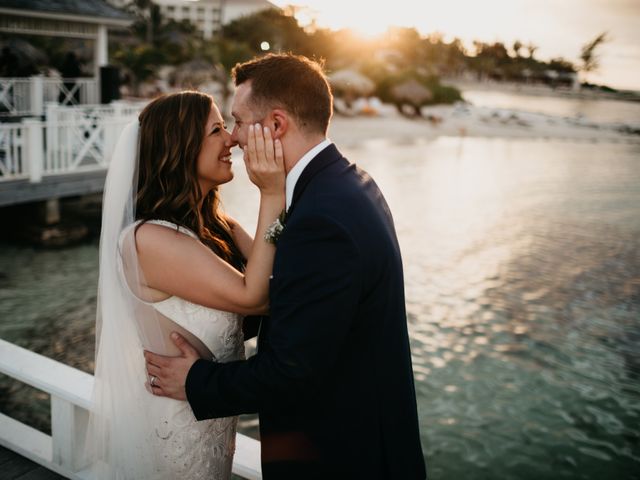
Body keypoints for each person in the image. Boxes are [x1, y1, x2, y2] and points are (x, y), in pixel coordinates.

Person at [145, 54, 427, 478]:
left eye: (236, 122)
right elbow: (297, 306)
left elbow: (290, 374)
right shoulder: (349, 184)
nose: (235, 138)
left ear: (276, 125)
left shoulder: (320, 218)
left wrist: (196, 381)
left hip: (341, 456)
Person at [84, 91, 285, 479]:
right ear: (180, 148)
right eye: (216, 130)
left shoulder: (218, 225)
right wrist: (272, 193)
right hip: (173, 425)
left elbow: (281, 276)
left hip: (208, 414)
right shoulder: (148, 241)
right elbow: (255, 295)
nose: (230, 140)